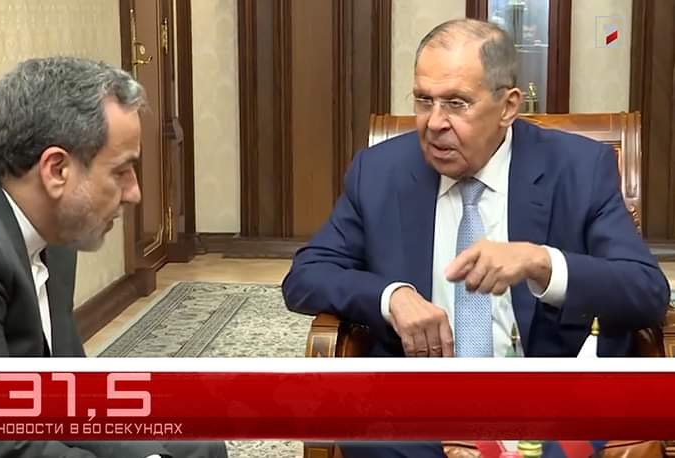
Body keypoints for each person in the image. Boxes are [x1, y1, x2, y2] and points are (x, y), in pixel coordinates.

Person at [282, 19, 669, 458]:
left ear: (508, 106)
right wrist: (392, 297)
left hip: (548, 401)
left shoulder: (578, 168)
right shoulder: (380, 171)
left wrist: (542, 263)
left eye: (457, 103)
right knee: (370, 435)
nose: (434, 123)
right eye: (424, 100)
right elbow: (306, 275)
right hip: (422, 407)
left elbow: (647, 292)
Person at [0, 57, 226, 458]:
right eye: (121, 171)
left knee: (196, 443)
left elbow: (65, 392)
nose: (134, 192)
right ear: (56, 170)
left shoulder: (53, 228)